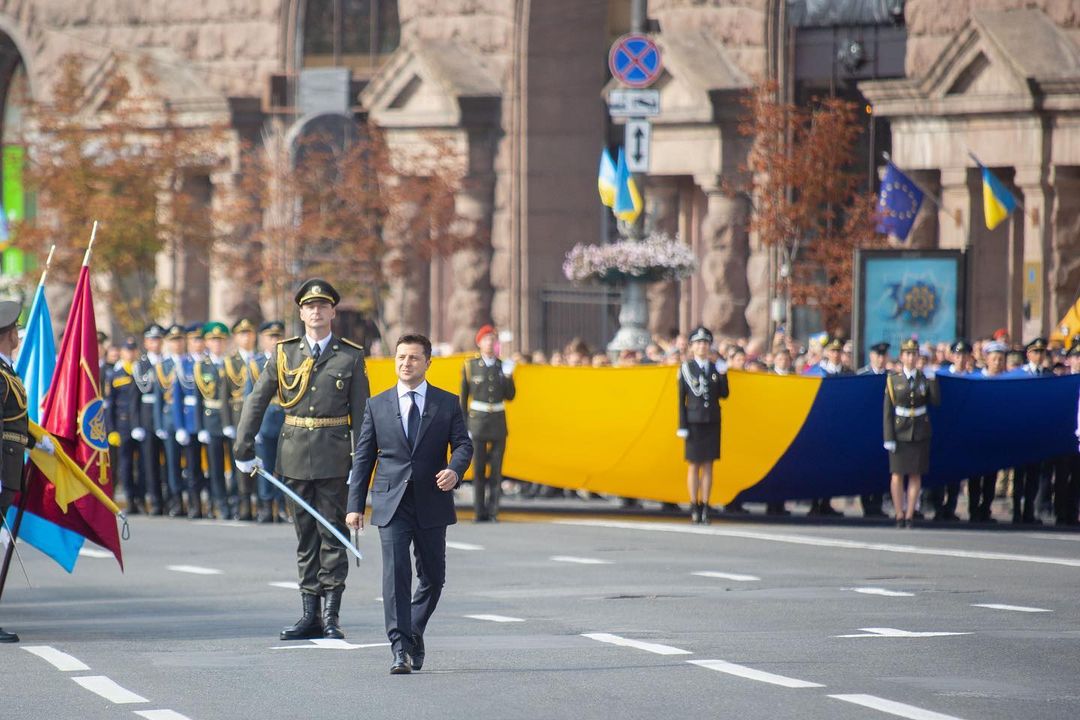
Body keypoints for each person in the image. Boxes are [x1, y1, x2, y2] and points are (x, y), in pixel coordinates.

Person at [234, 279, 370, 641]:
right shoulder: (284, 354)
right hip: (293, 456)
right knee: (305, 535)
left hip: (335, 456)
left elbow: (362, 415)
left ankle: (331, 615)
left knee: (333, 532)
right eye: (310, 306)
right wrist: (243, 448)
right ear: (301, 313)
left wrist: (363, 460)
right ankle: (309, 613)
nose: (317, 311)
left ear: (332, 312)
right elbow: (257, 401)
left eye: (323, 306)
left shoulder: (351, 356)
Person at [346, 333, 472, 674]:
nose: (406, 363)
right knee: (397, 573)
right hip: (392, 501)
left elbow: (463, 445)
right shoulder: (378, 405)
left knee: (433, 576)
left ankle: (414, 630)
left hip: (432, 499)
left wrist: (454, 470)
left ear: (427, 363)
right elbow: (364, 458)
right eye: (401, 357)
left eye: (414, 358)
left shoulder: (446, 403)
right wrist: (354, 505)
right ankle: (399, 648)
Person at [0, 300, 36, 643]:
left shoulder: (8, 371)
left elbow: (16, 419)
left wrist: (38, 440)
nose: (19, 335)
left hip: (10, 467)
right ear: (8, 334)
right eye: (16, 331)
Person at [460, 324, 516, 523]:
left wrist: (509, 376)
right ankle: (479, 510)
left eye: (493, 339)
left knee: (496, 469)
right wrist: (464, 426)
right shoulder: (470, 365)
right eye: (487, 339)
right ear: (479, 342)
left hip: (498, 422)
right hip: (478, 422)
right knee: (478, 469)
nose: (490, 343)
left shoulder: (502, 366)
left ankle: (493, 510)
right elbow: (463, 398)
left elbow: (510, 396)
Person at [883, 338, 940, 528]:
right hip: (900, 432)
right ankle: (899, 513)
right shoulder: (893, 380)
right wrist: (888, 437)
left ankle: (909, 515)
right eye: (907, 354)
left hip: (920, 430)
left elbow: (936, 401)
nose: (911, 357)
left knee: (916, 474)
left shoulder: (924, 378)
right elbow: (888, 412)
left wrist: (933, 380)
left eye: (914, 354)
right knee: (897, 474)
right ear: (901, 357)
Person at [677, 326, 729, 524]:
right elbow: (681, 400)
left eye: (705, 343)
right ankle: (693, 505)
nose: (702, 346)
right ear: (691, 346)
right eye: (698, 343)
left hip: (712, 421)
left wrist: (724, 375)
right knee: (693, 465)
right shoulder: (686, 368)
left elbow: (724, 395)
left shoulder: (715, 368)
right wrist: (682, 425)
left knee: (708, 465)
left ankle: (706, 505)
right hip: (693, 422)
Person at [804, 337, 851, 517]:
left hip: (838, 427)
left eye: (838, 351)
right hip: (819, 426)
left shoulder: (847, 374)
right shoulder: (816, 373)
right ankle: (815, 502)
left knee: (832, 467)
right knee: (816, 466)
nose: (835, 355)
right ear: (826, 353)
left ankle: (826, 502)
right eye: (832, 351)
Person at [194, 322, 233, 519]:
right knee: (215, 467)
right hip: (211, 420)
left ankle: (235, 502)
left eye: (220, 340)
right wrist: (200, 427)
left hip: (232, 421)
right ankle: (220, 504)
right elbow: (198, 400)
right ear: (208, 342)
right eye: (213, 340)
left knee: (235, 466)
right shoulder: (201, 367)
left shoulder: (233, 364)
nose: (217, 344)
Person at [105, 338, 147, 514]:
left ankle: (142, 497)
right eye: (127, 350)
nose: (130, 354)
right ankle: (130, 498)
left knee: (143, 464)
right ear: (122, 352)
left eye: (133, 350)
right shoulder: (116, 374)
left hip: (140, 424)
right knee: (126, 464)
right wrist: (112, 429)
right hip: (122, 425)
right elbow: (110, 404)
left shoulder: (141, 371)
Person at [1014, 337, 1052, 523]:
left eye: (1042, 352)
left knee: (1034, 475)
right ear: (1028, 354)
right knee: (1019, 475)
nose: (1039, 355)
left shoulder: (1048, 376)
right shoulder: (1018, 375)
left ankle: (1029, 510)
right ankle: (1016, 511)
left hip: (1038, 434)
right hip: (1020, 433)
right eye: (1035, 352)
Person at [254, 320, 289, 523]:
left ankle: (283, 506)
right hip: (265, 420)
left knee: (284, 466)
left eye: (278, 336)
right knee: (265, 466)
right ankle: (266, 507)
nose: (275, 341)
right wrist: (254, 426)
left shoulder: (290, 361)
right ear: (263, 340)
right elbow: (253, 397)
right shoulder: (255, 364)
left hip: (285, 419)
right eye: (271, 337)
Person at [225, 318, 259, 520]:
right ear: (236, 337)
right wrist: (227, 423)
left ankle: (261, 503)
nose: (246, 338)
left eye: (249, 333)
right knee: (239, 464)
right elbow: (224, 395)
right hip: (238, 417)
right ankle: (243, 505)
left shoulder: (261, 360)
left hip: (257, 418)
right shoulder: (231, 362)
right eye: (242, 334)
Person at [133, 324, 167, 515]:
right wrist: (136, 423)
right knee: (150, 462)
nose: (155, 343)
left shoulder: (168, 363)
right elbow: (135, 397)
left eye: (158, 339)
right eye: (152, 340)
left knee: (169, 462)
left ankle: (169, 499)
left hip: (165, 416)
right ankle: (154, 500)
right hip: (147, 418)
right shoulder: (141, 365)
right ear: (146, 343)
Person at [857, 342, 891, 518]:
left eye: (883, 356)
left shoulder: (892, 377)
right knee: (865, 468)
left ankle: (877, 504)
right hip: (865, 430)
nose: (880, 359)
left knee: (880, 468)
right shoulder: (862, 375)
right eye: (878, 355)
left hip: (883, 430)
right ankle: (866, 504)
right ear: (871, 356)